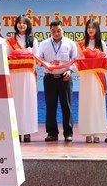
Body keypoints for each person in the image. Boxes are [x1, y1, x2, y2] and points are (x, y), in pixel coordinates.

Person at [38, 20, 78, 142]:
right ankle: (52, 133)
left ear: (63, 30)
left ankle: (68, 133)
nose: (56, 33)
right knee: (50, 106)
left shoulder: (70, 43)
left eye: (59, 30)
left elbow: (75, 60)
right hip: (49, 78)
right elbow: (39, 59)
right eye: (53, 31)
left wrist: (70, 71)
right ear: (50, 31)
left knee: (67, 106)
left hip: (65, 78)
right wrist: (46, 64)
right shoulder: (43, 44)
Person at [6, 14, 39, 142]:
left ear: (28, 25)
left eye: (24, 23)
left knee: (28, 102)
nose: (22, 25)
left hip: (28, 75)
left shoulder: (33, 40)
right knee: (16, 102)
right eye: (19, 22)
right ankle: (16, 131)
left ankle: (27, 131)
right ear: (16, 25)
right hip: (14, 75)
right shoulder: (10, 40)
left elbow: (36, 58)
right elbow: (6, 58)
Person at [76, 19, 107, 143]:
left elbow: (105, 62)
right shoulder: (81, 44)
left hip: (98, 78)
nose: (90, 30)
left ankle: (97, 132)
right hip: (86, 78)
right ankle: (87, 132)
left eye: (93, 27)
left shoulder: (102, 44)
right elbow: (78, 61)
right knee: (86, 103)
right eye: (88, 27)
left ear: (97, 29)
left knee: (97, 103)